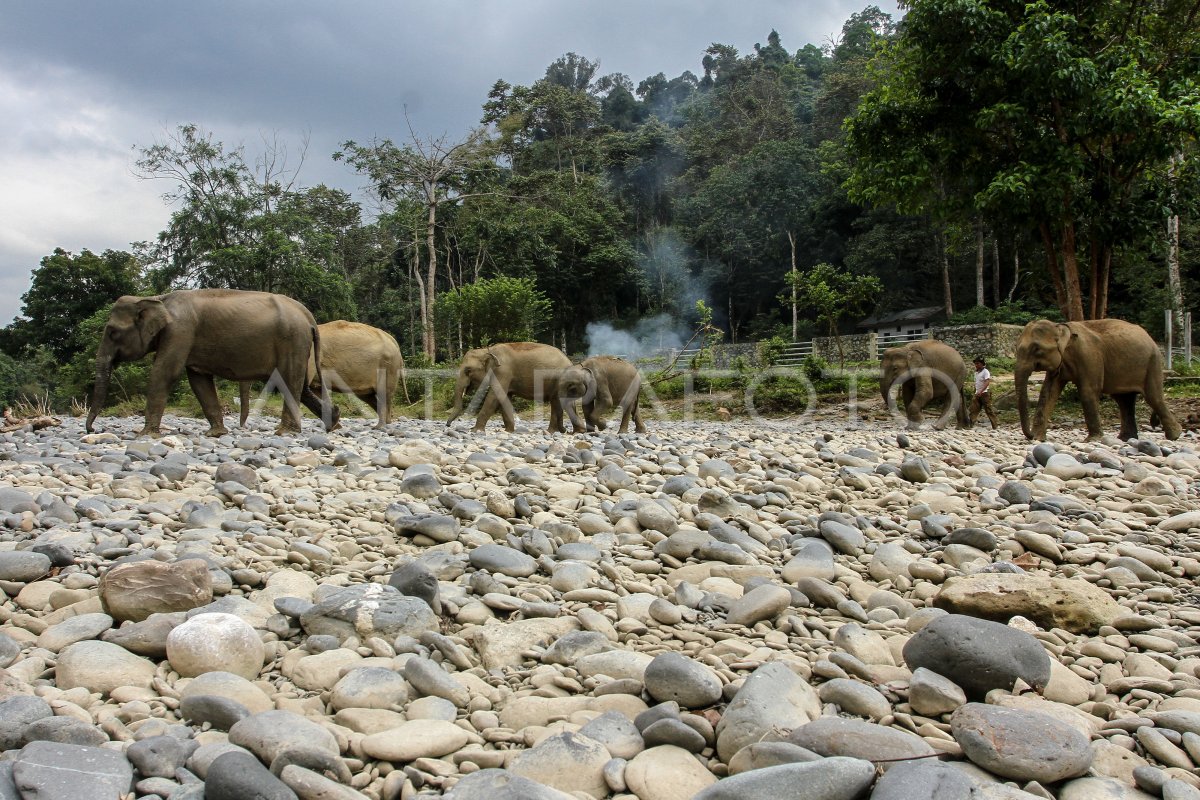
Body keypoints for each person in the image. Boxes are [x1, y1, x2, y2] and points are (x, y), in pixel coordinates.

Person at [970, 356, 999, 429]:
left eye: (978, 363)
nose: (976, 365)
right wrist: (976, 391)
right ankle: (970, 425)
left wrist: (981, 391)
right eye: (975, 364)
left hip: (985, 394)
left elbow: (987, 382)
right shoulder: (976, 373)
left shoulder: (986, 372)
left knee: (989, 410)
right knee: (973, 410)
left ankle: (995, 426)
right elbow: (977, 383)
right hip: (977, 393)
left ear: (982, 364)